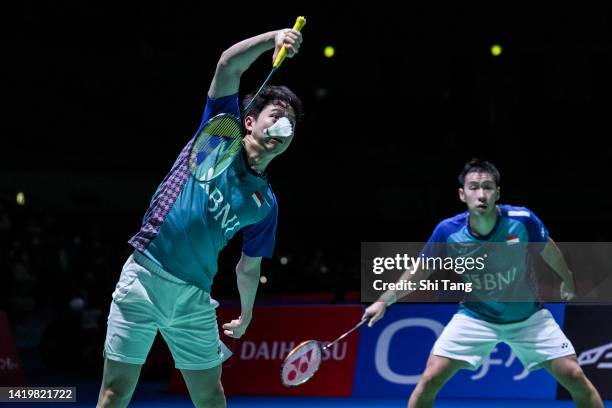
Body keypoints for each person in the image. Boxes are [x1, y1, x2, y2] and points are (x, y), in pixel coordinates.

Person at [97, 26, 303, 408]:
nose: (282, 128)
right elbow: (228, 65)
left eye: (290, 125)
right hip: (143, 276)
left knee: (211, 397)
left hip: (193, 298)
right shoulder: (218, 133)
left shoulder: (264, 203)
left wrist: (246, 314)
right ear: (250, 121)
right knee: (115, 391)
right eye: (275, 117)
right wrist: (273, 37)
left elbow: (248, 266)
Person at [363, 159, 603, 408]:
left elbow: (549, 249)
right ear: (461, 194)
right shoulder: (448, 231)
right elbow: (419, 272)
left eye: (488, 187)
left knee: (574, 375)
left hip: (528, 317)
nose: (481, 194)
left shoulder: (522, 220)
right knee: (430, 379)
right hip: (475, 317)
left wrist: (568, 279)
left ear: (497, 193)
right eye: (474, 187)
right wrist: (384, 301)